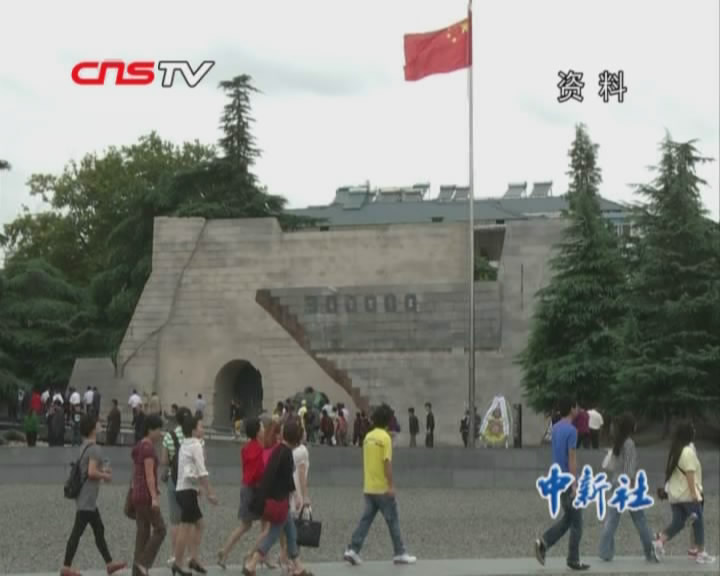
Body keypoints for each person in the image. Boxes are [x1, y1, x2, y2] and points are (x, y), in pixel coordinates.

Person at [343, 404, 416, 566]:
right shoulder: (385, 439)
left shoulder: (368, 437)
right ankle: (400, 552)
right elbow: (386, 463)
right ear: (388, 420)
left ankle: (353, 549)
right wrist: (391, 485)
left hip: (369, 487)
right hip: (382, 488)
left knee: (365, 520)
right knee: (393, 521)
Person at [243, 419, 311, 576]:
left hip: (271, 501)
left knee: (291, 533)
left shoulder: (278, 450)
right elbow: (288, 480)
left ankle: (298, 567)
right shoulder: (287, 454)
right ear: (297, 439)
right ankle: (252, 564)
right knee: (273, 534)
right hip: (279, 502)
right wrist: (297, 495)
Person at [60, 415, 126, 576]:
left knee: (98, 529)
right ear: (92, 429)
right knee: (77, 532)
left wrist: (101, 471)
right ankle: (66, 567)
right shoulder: (95, 448)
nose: (100, 426)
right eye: (97, 424)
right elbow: (91, 472)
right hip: (87, 498)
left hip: (85, 497)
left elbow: (87, 469)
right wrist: (105, 475)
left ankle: (109, 564)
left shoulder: (84, 446)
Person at [534, 398, 589, 571]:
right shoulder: (571, 430)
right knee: (577, 523)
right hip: (568, 479)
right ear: (571, 408)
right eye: (577, 406)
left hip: (557, 478)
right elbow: (571, 458)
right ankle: (572, 558)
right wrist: (574, 484)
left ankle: (544, 543)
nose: (578, 408)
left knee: (568, 519)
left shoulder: (556, 427)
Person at [653, 421, 715, 564]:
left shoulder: (676, 450)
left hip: (675, 495)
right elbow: (690, 474)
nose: (695, 431)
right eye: (693, 429)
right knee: (698, 522)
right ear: (688, 434)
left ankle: (659, 542)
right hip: (687, 494)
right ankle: (701, 553)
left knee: (678, 523)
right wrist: (694, 494)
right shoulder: (687, 451)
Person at [598, 413, 657, 563]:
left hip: (616, 483)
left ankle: (605, 552)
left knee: (612, 520)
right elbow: (629, 468)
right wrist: (632, 487)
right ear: (631, 426)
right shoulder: (629, 443)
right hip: (627, 486)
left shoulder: (618, 441)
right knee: (640, 520)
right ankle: (651, 552)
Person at [173, 414, 218, 576]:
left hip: (183, 490)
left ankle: (193, 559)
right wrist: (210, 493)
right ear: (193, 430)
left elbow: (188, 469)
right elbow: (202, 471)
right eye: (201, 426)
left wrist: (197, 488)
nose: (203, 429)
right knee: (185, 527)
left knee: (199, 524)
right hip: (187, 492)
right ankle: (178, 563)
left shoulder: (185, 444)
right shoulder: (196, 445)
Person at [218, 417, 265, 569]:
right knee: (262, 526)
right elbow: (259, 472)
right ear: (257, 432)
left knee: (247, 525)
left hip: (245, 487)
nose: (264, 429)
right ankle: (253, 555)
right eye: (262, 427)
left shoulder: (245, 448)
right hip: (256, 489)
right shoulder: (260, 449)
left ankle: (226, 551)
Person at [132, 414, 167, 576]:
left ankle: (137, 572)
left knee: (143, 534)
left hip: (137, 494)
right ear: (151, 430)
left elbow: (137, 473)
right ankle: (144, 563)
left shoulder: (139, 445)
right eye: (159, 429)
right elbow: (149, 475)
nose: (160, 433)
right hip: (146, 495)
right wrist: (154, 497)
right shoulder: (148, 448)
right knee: (160, 529)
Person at [162, 406, 191, 568]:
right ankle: (187, 555)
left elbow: (164, 461)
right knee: (189, 520)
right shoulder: (194, 436)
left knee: (175, 520)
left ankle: (174, 555)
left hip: (174, 479)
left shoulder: (169, 436)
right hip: (189, 481)